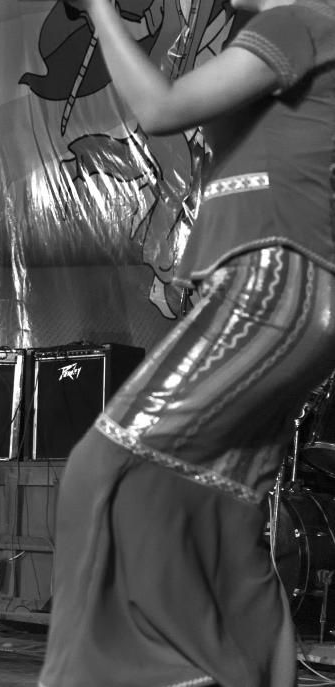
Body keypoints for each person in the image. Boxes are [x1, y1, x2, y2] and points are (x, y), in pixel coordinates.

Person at [39, 1, 335, 686]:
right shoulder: (285, 36)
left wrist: (104, 13)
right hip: (285, 288)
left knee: (102, 468)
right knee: (222, 510)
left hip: (270, 279)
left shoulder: (300, 20)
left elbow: (161, 107)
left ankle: (146, 670)